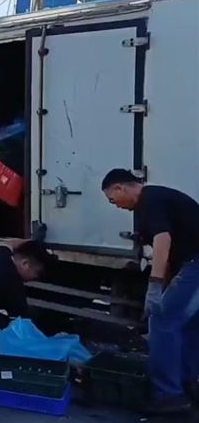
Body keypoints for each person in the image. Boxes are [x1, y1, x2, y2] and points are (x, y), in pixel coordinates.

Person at [101, 168, 199, 415]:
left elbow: (163, 240)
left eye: (113, 199)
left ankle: (169, 396)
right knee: (188, 325)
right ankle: (188, 384)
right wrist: (162, 284)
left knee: (163, 321)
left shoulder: (149, 200)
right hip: (192, 261)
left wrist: (154, 287)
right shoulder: (158, 198)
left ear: (120, 188)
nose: (115, 206)